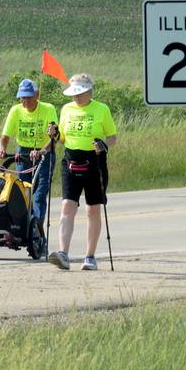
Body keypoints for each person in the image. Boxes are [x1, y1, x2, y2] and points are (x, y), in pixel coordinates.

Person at [45, 73, 117, 271]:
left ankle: (90, 256)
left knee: (92, 209)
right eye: (73, 94)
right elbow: (62, 138)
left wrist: (103, 145)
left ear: (88, 91)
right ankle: (63, 254)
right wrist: (54, 134)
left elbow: (112, 137)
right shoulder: (67, 109)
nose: (75, 97)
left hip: (94, 163)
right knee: (67, 206)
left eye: (79, 94)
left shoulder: (101, 109)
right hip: (70, 161)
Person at [0, 78, 57, 227]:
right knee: (24, 193)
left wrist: (41, 151)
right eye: (22, 97)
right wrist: (2, 149)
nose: (25, 101)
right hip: (23, 154)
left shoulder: (48, 109)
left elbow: (54, 138)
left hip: (44, 153)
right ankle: (23, 227)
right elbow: (4, 138)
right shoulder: (15, 110)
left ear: (36, 94)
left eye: (29, 96)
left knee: (39, 195)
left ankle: (37, 232)